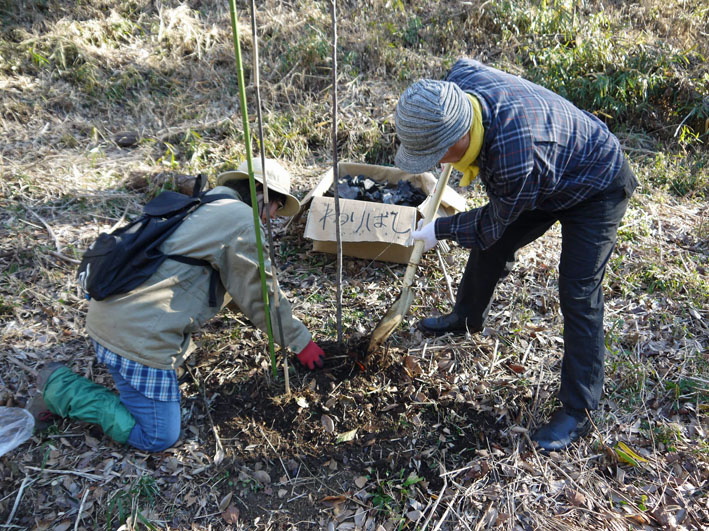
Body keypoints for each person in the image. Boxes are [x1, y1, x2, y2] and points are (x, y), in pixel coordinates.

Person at [396, 58, 638, 451]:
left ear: (459, 138)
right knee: (495, 242)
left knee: (578, 290)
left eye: (438, 155)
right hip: (549, 168)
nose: (438, 165)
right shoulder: (457, 85)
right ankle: (466, 317)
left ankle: (578, 412)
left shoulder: (513, 158)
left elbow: (490, 224)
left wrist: (438, 230)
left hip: (596, 183)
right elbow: (495, 229)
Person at [30, 159, 326, 452]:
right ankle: (59, 388)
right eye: (275, 207)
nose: (271, 217)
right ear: (262, 193)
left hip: (110, 317)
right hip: (135, 337)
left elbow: (237, 289)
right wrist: (300, 341)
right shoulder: (242, 222)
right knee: (158, 435)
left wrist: (272, 324)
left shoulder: (207, 204)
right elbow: (261, 296)